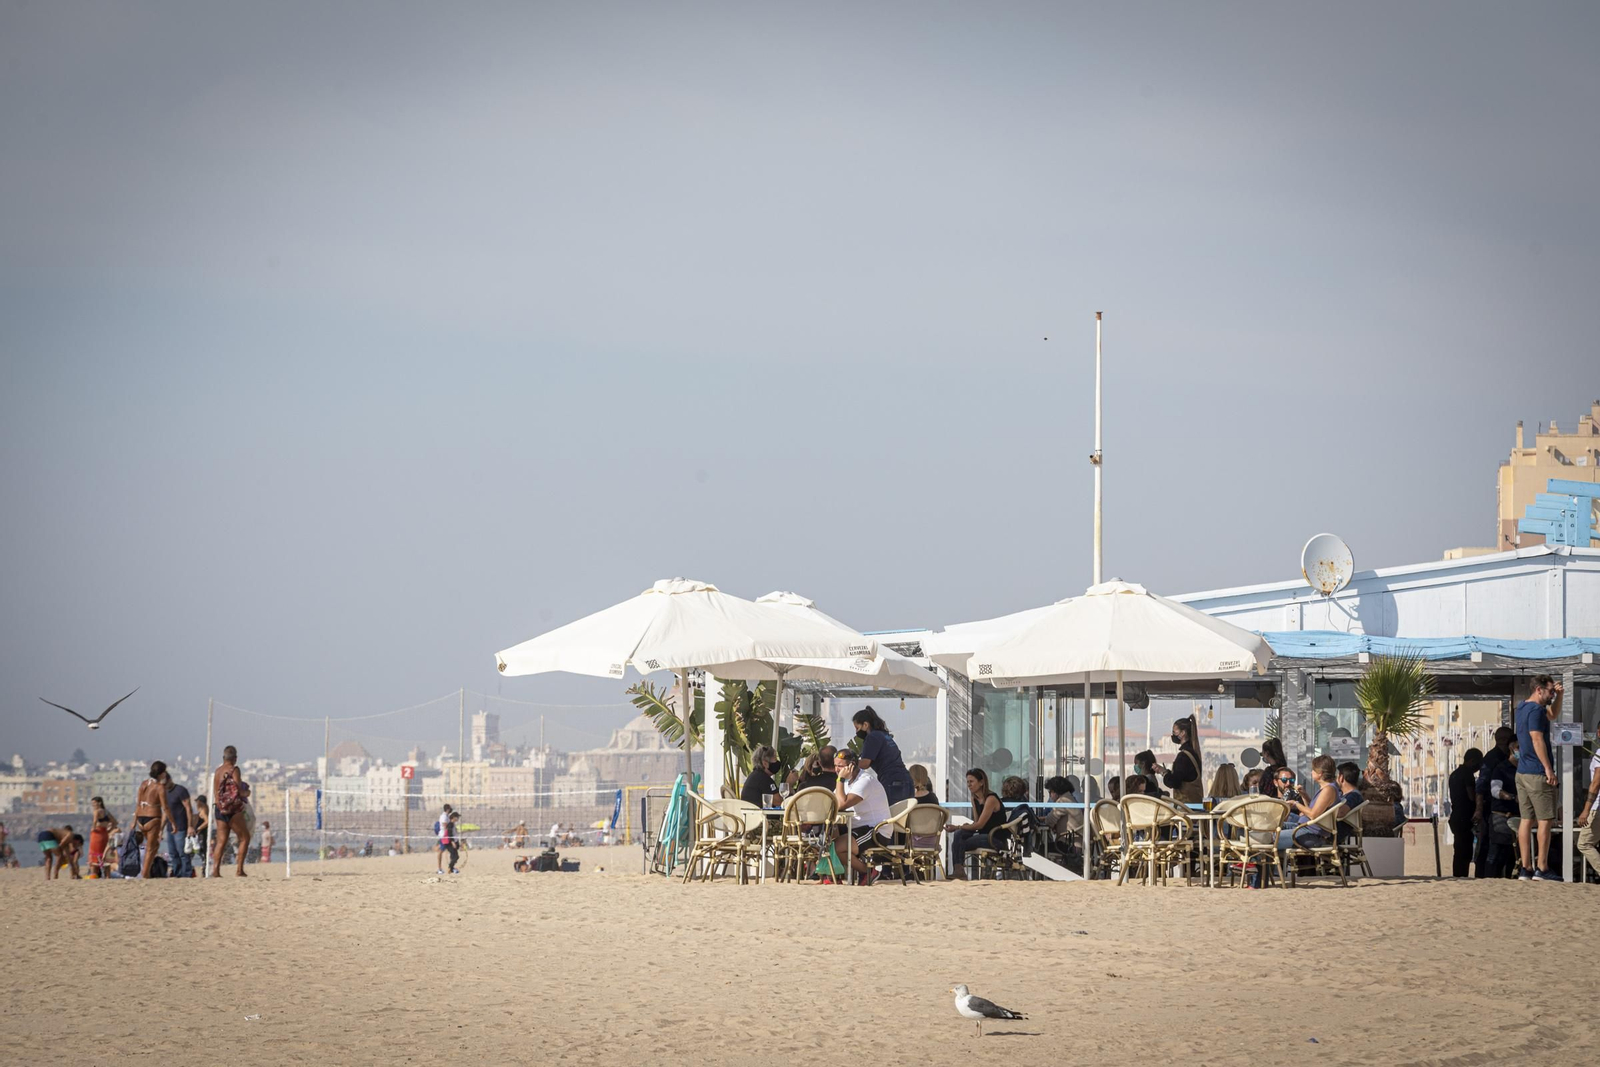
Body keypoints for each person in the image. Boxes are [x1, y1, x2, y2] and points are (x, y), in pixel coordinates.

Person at [1514, 675, 1564, 880]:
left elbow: (1552, 715)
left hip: (1522, 771)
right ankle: (1541, 867)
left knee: (1526, 819)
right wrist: (1548, 769)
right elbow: (1536, 739)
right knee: (1545, 820)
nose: (1552, 694)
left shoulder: (1522, 707)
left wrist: (1559, 696)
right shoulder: (1535, 710)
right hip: (1536, 772)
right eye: (1550, 691)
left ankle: (1525, 867)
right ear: (1539, 690)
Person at [832, 748, 891, 885]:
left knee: (837, 847)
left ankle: (868, 872)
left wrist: (840, 779)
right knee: (827, 839)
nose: (837, 769)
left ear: (852, 765)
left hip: (875, 830)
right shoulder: (847, 782)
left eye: (840, 766)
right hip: (856, 828)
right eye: (835, 765)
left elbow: (841, 804)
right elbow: (832, 801)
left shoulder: (865, 781)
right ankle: (832, 875)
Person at [1277, 755, 1345, 856]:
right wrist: (1304, 795)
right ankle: (1272, 869)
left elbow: (1313, 815)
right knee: (1272, 827)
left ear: (1320, 773)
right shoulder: (1327, 788)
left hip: (1310, 835)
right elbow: (1312, 810)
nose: (1311, 772)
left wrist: (1296, 803)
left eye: (1313, 770)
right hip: (1304, 829)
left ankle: (1272, 870)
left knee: (1269, 838)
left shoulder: (1328, 790)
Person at [1476, 727, 1519, 879]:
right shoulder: (1493, 760)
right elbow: (1485, 786)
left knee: (1510, 852)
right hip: (1497, 812)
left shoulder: (1522, 766)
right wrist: (1479, 809)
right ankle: (1486, 878)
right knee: (1494, 849)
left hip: (1516, 813)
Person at [947, 768, 1006, 880]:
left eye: (972, 781)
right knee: (959, 835)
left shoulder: (991, 799)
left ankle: (959, 870)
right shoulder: (974, 799)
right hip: (982, 835)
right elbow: (976, 822)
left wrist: (958, 826)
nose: (969, 785)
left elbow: (980, 825)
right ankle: (958, 870)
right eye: (967, 782)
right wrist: (963, 828)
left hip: (994, 837)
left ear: (981, 782)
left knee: (961, 841)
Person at [853, 707, 912, 806]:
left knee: (890, 815)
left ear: (865, 725)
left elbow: (865, 763)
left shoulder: (872, 737)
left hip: (892, 780)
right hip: (906, 780)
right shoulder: (884, 735)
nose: (856, 732)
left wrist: (849, 763)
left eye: (857, 727)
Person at [208, 746, 252, 877]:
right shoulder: (234, 770)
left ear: (223, 758)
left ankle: (215, 870)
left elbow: (217, 791)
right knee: (244, 838)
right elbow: (238, 790)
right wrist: (247, 793)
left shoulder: (217, 771)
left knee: (221, 841)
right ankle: (239, 870)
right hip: (233, 810)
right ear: (235, 759)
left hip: (219, 808)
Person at [1447, 748, 1484, 878]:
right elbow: (1471, 795)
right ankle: (1462, 874)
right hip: (1464, 816)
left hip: (1456, 815)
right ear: (1472, 761)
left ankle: (1458, 874)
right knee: (1465, 849)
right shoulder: (1467, 774)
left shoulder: (1455, 774)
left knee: (1458, 849)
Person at [133, 762, 174, 879]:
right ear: (161, 774)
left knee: (155, 845)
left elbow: (138, 804)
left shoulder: (144, 784)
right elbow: (165, 807)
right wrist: (173, 822)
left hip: (141, 819)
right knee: (150, 849)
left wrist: (134, 821)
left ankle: (148, 871)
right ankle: (145, 874)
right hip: (153, 818)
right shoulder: (159, 787)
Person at [1158, 715, 1204, 804]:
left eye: (1174, 731)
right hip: (1196, 802)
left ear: (1183, 733)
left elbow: (1174, 782)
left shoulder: (1183, 756)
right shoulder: (1194, 753)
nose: (1173, 735)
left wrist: (1163, 772)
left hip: (1186, 806)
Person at [161, 769, 196, 878]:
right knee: (173, 854)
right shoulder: (164, 793)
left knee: (183, 853)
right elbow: (165, 812)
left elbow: (188, 809)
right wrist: (160, 830)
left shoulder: (180, 790)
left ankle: (187, 874)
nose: (164, 786)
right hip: (170, 828)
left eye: (165, 783)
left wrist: (190, 826)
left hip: (181, 826)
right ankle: (177, 874)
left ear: (170, 779)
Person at [1576, 741, 1600, 883]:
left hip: (1597, 807)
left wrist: (1586, 810)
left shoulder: (1599, 754)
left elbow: (1596, 783)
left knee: (1584, 843)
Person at [88, 796, 119, 879]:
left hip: (96, 834)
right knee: (105, 854)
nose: (93, 805)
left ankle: (93, 875)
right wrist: (109, 830)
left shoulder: (96, 811)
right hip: (104, 834)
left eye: (94, 803)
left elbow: (95, 821)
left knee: (94, 855)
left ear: (99, 803)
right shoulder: (106, 812)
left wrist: (93, 828)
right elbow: (115, 822)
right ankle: (108, 876)